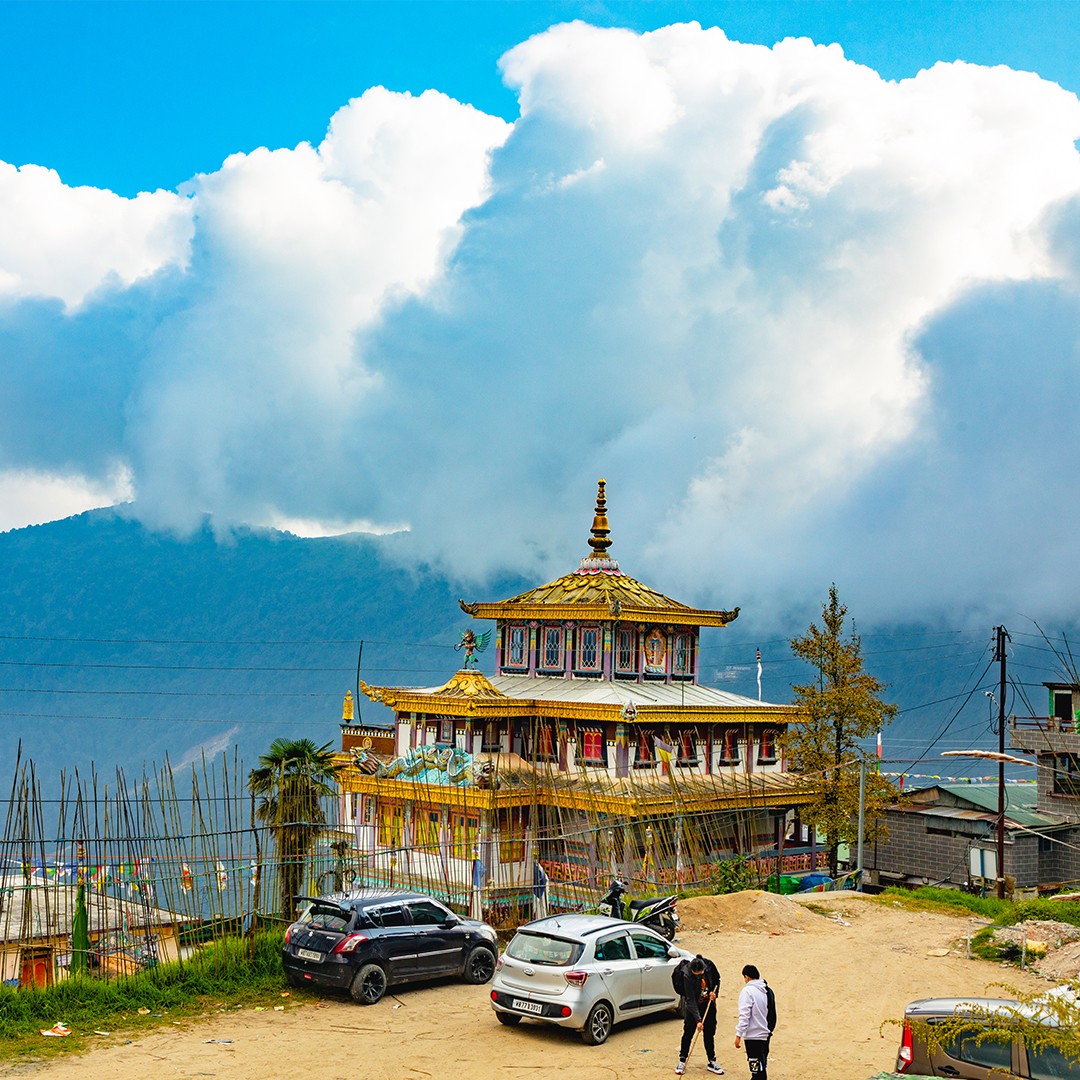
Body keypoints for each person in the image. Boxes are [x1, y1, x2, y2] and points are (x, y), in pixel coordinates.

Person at [675, 953, 724, 1075]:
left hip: (708, 1006)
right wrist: (698, 1020)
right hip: (693, 1009)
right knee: (688, 1034)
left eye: (700, 974)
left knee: (709, 1034)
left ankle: (712, 1061)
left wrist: (714, 993)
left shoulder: (709, 967)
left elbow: (717, 980)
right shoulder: (687, 976)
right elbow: (690, 1000)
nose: (699, 976)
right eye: (696, 975)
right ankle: (682, 1060)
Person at [734, 964, 770, 1080]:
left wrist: (738, 1034)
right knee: (760, 1069)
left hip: (753, 1037)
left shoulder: (747, 991)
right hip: (763, 1035)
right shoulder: (763, 991)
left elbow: (744, 1015)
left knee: (756, 1071)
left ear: (747, 977)